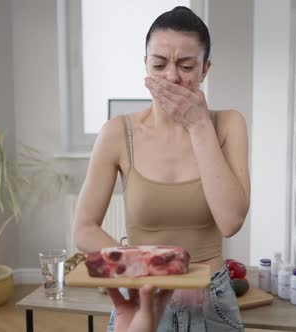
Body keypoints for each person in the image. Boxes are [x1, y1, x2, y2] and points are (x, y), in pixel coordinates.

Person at [74, 5, 250, 331]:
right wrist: (147, 272)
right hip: (142, 299)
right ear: (145, 65)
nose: (171, 76)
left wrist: (198, 126)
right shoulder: (117, 132)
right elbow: (83, 229)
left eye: (186, 66)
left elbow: (231, 221)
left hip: (210, 300)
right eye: (159, 64)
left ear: (205, 69)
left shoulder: (228, 124)